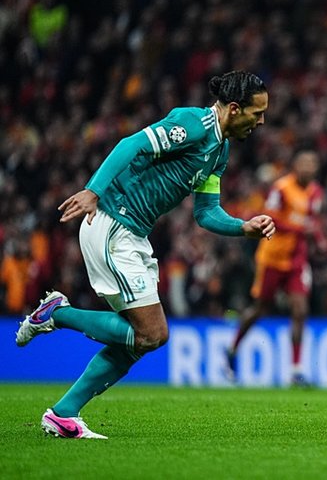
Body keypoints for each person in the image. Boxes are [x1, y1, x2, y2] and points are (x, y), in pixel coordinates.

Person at [15, 70, 276, 439]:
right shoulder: (194, 124)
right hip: (111, 222)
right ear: (235, 108)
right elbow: (132, 143)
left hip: (133, 235)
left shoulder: (220, 150)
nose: (261, 121)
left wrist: (243, 227)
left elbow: (206, 212)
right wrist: (92, 191)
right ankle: (58, 313)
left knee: (142, 340)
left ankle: (63, 413)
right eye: (257, 113)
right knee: (152, 333)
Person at [225, 149, 325, 386]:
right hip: (272, 257)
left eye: (312, 163)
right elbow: (271, 218)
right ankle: (232, 348)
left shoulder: (315, 192)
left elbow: (312, 222)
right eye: (304, 163)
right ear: (295, 166)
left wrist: (319, 239)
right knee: (260, 308)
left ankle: (296, 370)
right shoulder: (281, 188)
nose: (308, 168)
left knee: (300, 310)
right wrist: (301, 229)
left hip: (296, 260)